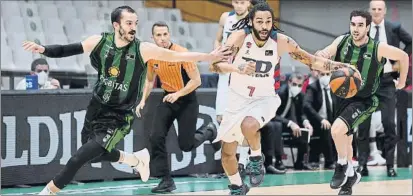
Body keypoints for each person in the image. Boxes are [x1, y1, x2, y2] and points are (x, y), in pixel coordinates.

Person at [22, 6, 230, 195]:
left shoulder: (143, 49)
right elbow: (69, 49)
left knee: (78, 159)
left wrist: (209, 57)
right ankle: (134, 159)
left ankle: (47, 192)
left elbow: (179, 57)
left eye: (135, 23)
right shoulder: (100, 42)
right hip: (96, 108)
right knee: (94, 155)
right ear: (116, 25)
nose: (133, 28)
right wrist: (44, 50)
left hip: (118, 116)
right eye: (129, 23)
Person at [209, 2, 354, 194]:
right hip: (237, 98)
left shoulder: (281, 41)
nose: (264, 26)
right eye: (259, 21)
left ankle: (256, 158)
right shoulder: (239, 38)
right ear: (251, 22)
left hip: (265, 98)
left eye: (268, 21)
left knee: (248, 125)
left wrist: (341, 66)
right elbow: (215, 66)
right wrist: (237, 68)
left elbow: (312, 61)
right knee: (227, 155)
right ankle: (237, 187)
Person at [315, 10, 409, 195]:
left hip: (365, 100)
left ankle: (341, 165)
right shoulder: (341, 41)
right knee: (345, 139)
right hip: (342, 97)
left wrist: (403, 81)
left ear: (367, 27)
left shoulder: (378, 48)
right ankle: (350, 178)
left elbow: (404, 57)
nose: (355, 29)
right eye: (353, 24)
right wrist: (320, 56)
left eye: (360, 25)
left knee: (336, 130)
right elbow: (325, 53)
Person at [135, 21, 220, 193]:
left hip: (187, 100)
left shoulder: (182, 53)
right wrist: (143, 100)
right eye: (158, 35)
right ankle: (166, 181)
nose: (162, 38)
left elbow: (197, 81)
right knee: (155, 137)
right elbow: (150, 80)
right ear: (153, 38)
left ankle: (210, 130)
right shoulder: (152, 56)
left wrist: (178, 94)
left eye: (165, 34)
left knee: (186, 145)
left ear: (169, 35)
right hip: (168, 98)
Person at [356, 0, 412, 178]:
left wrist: (398, 62)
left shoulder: (394, 27)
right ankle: (362, 165)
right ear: (369, 11)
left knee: (389, 124)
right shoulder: (362, 27)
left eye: (380, 9)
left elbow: (410, 42)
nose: (376, 12)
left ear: (385, 11)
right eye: (373, 9)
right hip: (366, 82)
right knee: (363, 125)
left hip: (387, 82)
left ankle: (390, 165)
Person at [214, 0, 252, 178]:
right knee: (222, 118)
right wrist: (217, 54)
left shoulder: (253, 20)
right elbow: (218, 38)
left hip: (243, 73)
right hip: (224, 72)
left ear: (249, 3)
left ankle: (243, 162)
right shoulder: (224, 17)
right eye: (236, 1)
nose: (238, 5)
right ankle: (231, 162)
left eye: (242, 2)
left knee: (243, 120)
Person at [274, 73, 314, 170]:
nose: (297, 87)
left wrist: (306, 122)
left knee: (304, 130)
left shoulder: (300, 95)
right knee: (277, 126)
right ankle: (278, 161)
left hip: (290, 124)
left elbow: (301, 113)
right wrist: (290, 123)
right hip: (277, 121)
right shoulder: (281, 93)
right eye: (295, 84)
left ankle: (300, 162)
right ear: (289, 82)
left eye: (300, 85)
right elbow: (273, 115)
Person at [304, 70, 337, 170]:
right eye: (323, 74)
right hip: (317, 121)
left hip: (332, 119)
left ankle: (344, 159)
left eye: (328, 74)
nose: (325, 76)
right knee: (326, 128)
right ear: (318, 74)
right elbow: (306, 106)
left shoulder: (334, 87)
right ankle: (329, 162)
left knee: (344, 128)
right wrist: (321, 119)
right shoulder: (312, 87)